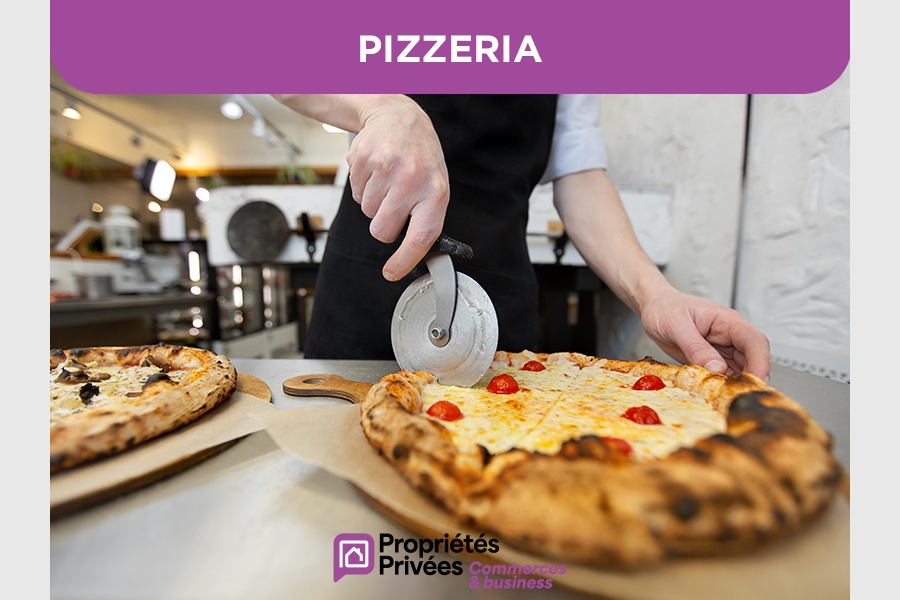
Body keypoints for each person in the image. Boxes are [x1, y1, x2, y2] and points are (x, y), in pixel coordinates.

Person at [272, 94, 771, 381]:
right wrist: (380, 106)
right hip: (367, 280)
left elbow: (578, 173)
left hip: (497, 298)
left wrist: (655, 294)